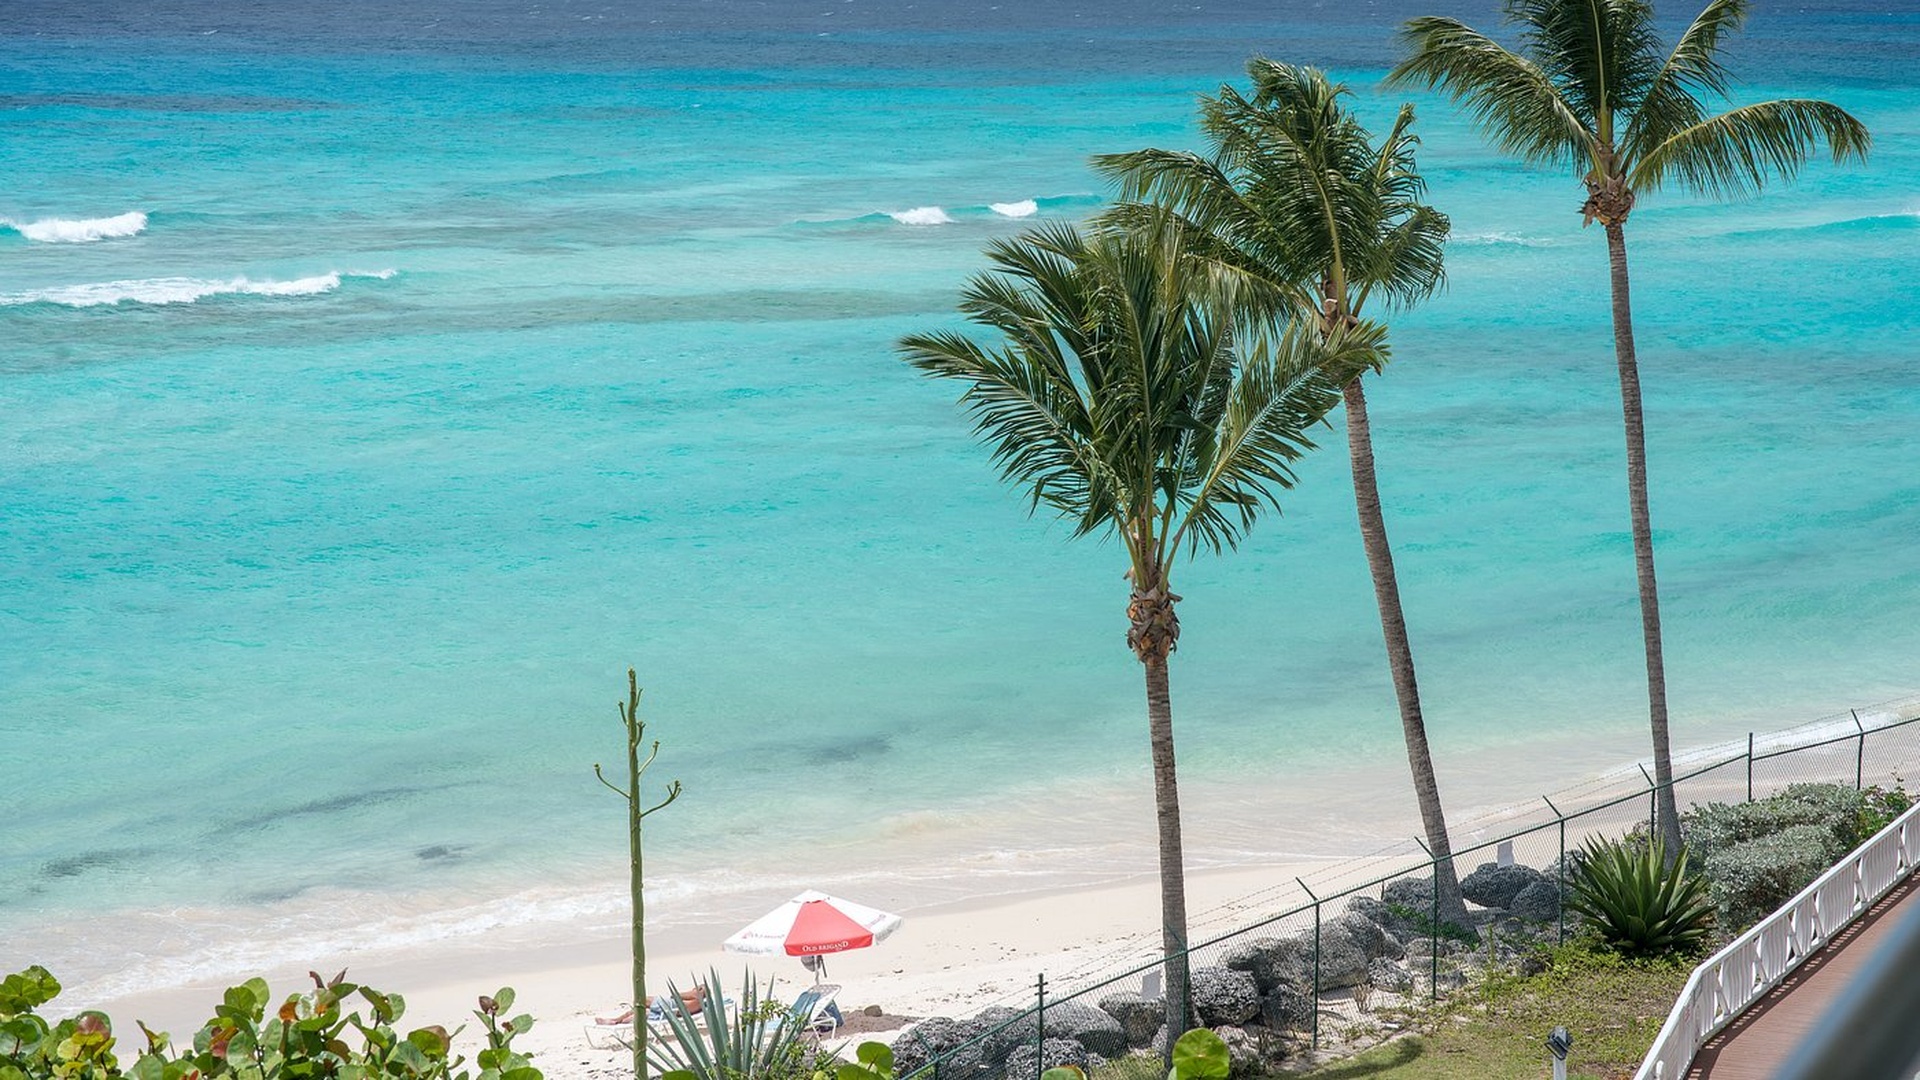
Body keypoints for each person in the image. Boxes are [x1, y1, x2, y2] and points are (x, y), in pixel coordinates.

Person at [596, 984, 706, 1025]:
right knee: (637, 1012)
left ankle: (616, 1020)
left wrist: (693, 991)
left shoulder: (697, 999)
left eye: (696, 988)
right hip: (670, 1010)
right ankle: (615, 1020)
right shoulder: (698, 1003)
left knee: (641, 1000)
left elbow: (674, 996)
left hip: (670, 1007)